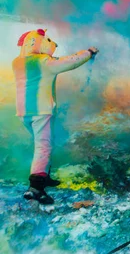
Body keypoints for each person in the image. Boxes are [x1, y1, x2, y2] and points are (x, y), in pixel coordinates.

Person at [13, 28, 98, 205]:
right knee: (43, 147)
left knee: (43, 144)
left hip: (23, 111)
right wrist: (88, 53)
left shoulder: (17, 62)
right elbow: (70, 62)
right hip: (41, 110)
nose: (54, 45)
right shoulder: (44, 61)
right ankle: (36, 188)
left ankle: (44, 177)